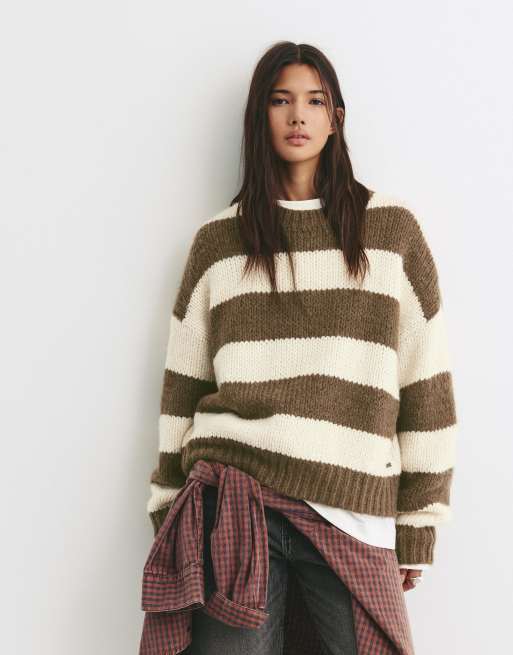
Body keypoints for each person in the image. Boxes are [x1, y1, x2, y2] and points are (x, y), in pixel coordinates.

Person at [141, 41, 457, 655]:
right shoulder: (218, 243)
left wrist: (419, 523)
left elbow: (426, 386)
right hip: (235, 504)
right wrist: (170, 513)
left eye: (314, 101)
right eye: (280, 100)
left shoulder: (390, 232)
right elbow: (182, 390)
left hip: (350, 508)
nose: (297, 116)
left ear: (336, 118)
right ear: (259, 115)